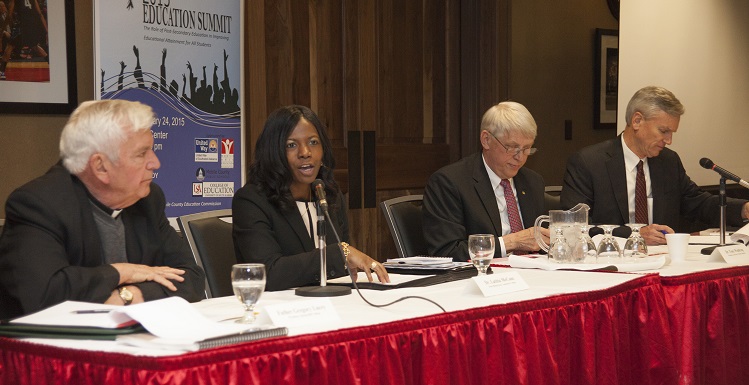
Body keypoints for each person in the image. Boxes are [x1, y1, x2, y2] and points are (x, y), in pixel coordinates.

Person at [0, 100, 205, 319]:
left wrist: (129, 295)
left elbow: (190, 278)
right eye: (141, 154)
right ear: (100, 167)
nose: (155, 163)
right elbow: (46, 294)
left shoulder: (148, 200)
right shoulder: (38, 204)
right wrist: (122, 272)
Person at [561, 86, 749, 245]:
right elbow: (573, 227)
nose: (669, 140)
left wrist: (743, 209)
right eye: (664, 131)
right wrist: (634, 235)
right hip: (612, 263)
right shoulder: (588, 163)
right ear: (637, 121)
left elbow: (698, 203)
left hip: (663, 261)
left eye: (672, 133)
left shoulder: (668, 161)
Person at [233, 105, 389, 291]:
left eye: (313, 142)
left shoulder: (329, 195)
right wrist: (340, 253)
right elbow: (268, 273)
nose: (305, 152)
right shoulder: (252, 201)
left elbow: (342, 271)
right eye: (291, 145)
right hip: (280, 311)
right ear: (274, 153)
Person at [422, 101, 550, 261]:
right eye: (512, 147)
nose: (520, 157)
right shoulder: (450, 183)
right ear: (486, 140)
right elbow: (447, 252)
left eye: (526, 149)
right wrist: (511, 242)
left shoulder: (532, 181)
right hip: (479, 279)